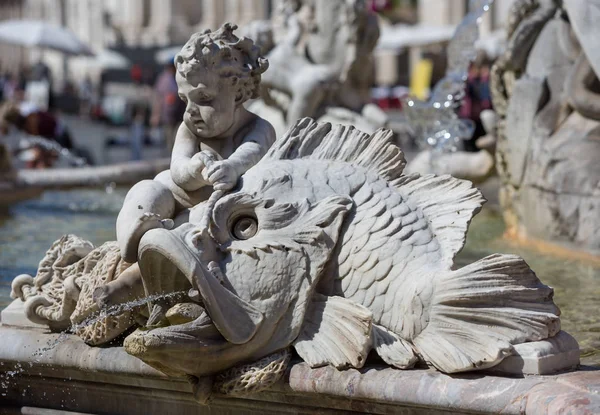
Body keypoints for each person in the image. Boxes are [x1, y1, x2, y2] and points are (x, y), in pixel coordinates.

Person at [115, 23, 275, 264]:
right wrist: (193, 169)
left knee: (202, 219)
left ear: (238, 95)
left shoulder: (258, 127)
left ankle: (164, 243)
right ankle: (133, 237)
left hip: (224, 211)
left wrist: (232, 167)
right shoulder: (189, 128)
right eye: (184, 99)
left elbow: (253, 150)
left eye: (203, 98)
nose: (190, 111)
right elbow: (178, 169)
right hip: (183, 196)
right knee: (150, 188)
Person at [151, 60, 184, 151]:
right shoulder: (164, 79)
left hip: (179, 113)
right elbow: (158, 97)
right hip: (168, 114)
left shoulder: (179, 77)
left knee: (178, 137)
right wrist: (156, 114)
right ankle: (171, 156)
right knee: (170, 138)